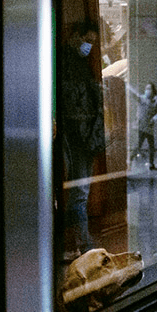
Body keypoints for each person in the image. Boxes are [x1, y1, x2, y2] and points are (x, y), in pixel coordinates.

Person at [58, 20, 105, 260]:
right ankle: (80, 244)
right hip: (78, 137)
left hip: (81, 136)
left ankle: (77, 243)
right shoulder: (68, 64)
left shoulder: (75, 62)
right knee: (79, 191)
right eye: (87, 40)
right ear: (75, 35)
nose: (89, 46)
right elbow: (76, 105)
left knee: (78, 191)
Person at [130, 82, 157, 171]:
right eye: (147, 89)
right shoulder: (142, 98)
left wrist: (154, 119)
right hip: (142, 126)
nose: (147, 91)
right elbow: (135, 96)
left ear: (153, 91)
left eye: (149, 89)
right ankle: (130, 159)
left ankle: (151, 164)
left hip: (149, 127)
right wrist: (130, 87)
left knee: (151, 146)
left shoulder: (155, 101)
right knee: (139, 144)